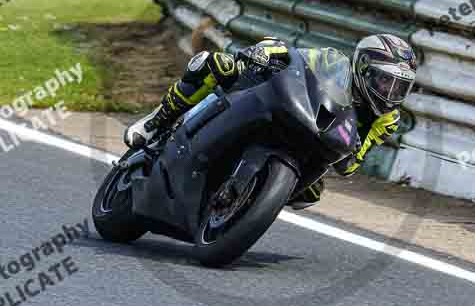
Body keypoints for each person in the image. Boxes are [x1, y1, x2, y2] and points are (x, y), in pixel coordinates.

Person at [124, 34, 417, 209]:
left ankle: (251, 200)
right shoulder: (333, 61)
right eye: (385, 81)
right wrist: (265, 52)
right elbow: (295, 57)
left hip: (318, 140)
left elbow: (351, 163)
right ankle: (156, 121)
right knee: (218, 65)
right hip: (287, 103)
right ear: (363, 69)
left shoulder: (388, 119)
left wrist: (351, 153)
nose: (390, 93)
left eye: (400, 88)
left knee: (312, 192)